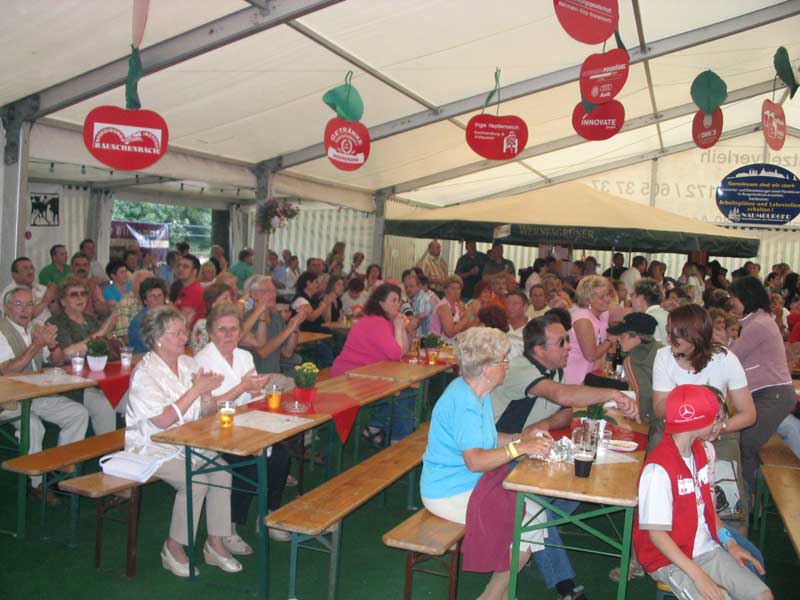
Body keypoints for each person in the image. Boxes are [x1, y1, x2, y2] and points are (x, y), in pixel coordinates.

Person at [421, 327, 586, 600]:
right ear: (487, 368)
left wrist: (522, 438)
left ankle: (499, 595)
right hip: (448, 491)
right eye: (503, 360)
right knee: (530, 522)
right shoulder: (465, 402)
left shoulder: (476, 392)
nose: (508, 365)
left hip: (471, 483)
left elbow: (485, 438)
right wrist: (519, 447)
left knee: (534, 516)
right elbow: (475, 460)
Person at [125, 306, 243, 577]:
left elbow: (204, 411)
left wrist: (208, 394)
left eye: (183, 331)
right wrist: (196, 390)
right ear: (157, 339)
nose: (184, 337)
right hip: (151, 446)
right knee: (194, 482)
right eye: (176, 333)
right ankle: (173, 547)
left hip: (187, 442)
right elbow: (162, 421)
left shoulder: (188, 364)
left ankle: (215, 543)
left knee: (222, 473)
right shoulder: (145, 373)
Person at [633, 385, 772, 600]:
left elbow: (708, 510)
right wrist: (698, 575)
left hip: (706, 549)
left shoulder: (700, 452)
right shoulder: (658, 469)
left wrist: (730, 543)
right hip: (669, 560)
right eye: (716, 418)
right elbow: (657, 535)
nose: (722, 424)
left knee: (763, 595)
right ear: (696, 421)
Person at [194, 304, 292, 544]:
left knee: (281, 456)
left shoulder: (244, 356)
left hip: (245, 423)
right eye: (222, 329)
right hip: (211, 430)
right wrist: (242, 388)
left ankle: (268, 515)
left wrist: (259, 392)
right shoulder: (201, 362)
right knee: (247, 464)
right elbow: (205, 409)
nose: (229, 334)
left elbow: (252, 396)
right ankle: (229, 526)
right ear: (211, 332)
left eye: (234, 329)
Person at [652, 304, 757, 518]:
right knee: (663, 495)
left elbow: (748, 414)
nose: (669, 338)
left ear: (696, 336)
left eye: (676, 334)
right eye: (668, 331)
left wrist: (718, 427)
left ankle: (731, 529)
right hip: (676, 434)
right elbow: (659, 409)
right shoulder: (663, 356)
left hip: (718, 435)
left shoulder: (725, 359)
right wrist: (692, 405)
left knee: (730, 507)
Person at [0, 286, 89, 505]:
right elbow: (8, 370)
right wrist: (37, 345)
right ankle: (36, 483)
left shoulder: (35, 328)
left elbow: (57, 360)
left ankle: (61, 470)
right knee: (33, 426)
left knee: (78, 413)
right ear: (6, 308)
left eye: (29, 304)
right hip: (9, 400)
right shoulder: (2, 332)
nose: (25, 309)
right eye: (19, 304)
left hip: (37, 394)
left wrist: (52, 344)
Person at [727, 276, 795, 496]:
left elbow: (732, 357)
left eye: (733, 297)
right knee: (743, 443)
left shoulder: (758, 325)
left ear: (746, 297)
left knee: (745, 444)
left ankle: (746, 500)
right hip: (767, 395)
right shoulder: (754, 321)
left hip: (772, 396)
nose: (730, 302)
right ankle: (749, 497)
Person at [331, 283, 415, 444]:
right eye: (393, 300)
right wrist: (399, 328)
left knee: (403, 390)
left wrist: (401, 327)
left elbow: (403, 351)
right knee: (404, 393)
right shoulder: (376, 322)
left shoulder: (386, 321)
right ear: (381, 303)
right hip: (348, 376)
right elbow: (396, 354)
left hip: (366, 373)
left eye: (399, 300)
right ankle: (398, 442)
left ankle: (374, 427)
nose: (398, 304)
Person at [47, 276, 118, 435]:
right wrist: (100, 333)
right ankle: (107, 448)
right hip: (74, 386)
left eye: (83, 294)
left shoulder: (91, 320)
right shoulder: (56, 322)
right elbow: (67, 353)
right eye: (74, 294)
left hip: (101, 381)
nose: (80, 298)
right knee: (104, 405)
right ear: (63, 301)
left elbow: (106, 350)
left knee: (134, 396)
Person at [610, 313, 663, 449]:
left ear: (636, 337)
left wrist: (637, 417)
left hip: (658, 422)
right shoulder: (660, 348)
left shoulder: (632, 361)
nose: (619, 340)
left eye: (622, 336)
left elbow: (643, 393)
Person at [240, 275, 304, 380]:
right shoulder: (247, 319)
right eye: (268, 291)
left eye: (274, 291)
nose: (273, 295)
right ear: (254, 294)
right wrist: (289, 329)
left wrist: (295, 325)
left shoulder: (275, 316)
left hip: (275, 376)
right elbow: (263, 352)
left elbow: (287, 353)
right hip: (255, 378)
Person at [564, 275, 616, 384]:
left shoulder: (602, 313)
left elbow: (625, 313)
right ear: (588, 300)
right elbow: (591, 355)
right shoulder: (582, 319)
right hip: (575, 377)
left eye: (607, 294)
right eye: (602, 297)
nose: (607, 299)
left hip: (590, 375)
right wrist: (610, 340)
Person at [1, 256, 57, 324]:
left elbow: (56, 311)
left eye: (32, 268)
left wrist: (53, 298)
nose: (30, 271)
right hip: (30, 330)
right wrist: (45, 301)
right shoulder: (9, 293)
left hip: (51, 326)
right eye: (25, 268)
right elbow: (17, 319)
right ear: (14, 275)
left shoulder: (41, 288)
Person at [111, 269, 154, 341]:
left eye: (151, 283)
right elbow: (125, 338)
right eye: (142, 284)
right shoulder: (125, 304)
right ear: (133, 285)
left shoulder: (154, 300)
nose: (147, 287)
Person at [430, 275, 474, 343]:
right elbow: (449, 333)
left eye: (458, 288)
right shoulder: (443, 307)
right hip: (440, 344)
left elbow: (463, 327)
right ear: (445, 290)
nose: (456, 292)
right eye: (453, 289)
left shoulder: (458, 305)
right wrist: (466, 318)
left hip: (455, 342)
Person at [129, 277, 168, 354]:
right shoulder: (140, 322)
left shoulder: (167, 316)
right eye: (153, 296)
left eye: (159, 295)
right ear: (145, 300)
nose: (157, 299)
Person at [631, 278, 668, 344]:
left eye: (632, 295)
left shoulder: (646, 319)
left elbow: (652, 348)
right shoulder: (667, 314)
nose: (631, 300)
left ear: (640, 299)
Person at [173, 254, 205, 328]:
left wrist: (170, 308)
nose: (180, 269)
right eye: (179, 265)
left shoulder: (195, 290)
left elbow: (184, 320)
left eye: (185, 266)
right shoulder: (184, 288)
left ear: (194, 271)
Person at [403, 271, 434, 336]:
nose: (408, 289)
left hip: (426, 339)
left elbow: (418, 320)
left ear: (419, 286)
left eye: (411, 286)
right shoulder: (412, 299)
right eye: (406, 287)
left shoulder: (423, 299)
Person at [504, 290, 530, 359]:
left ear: (525, 307)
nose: (509, 307)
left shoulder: (533, 327)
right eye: (507, 303)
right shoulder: (499, 324)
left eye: (515, 304)